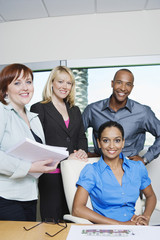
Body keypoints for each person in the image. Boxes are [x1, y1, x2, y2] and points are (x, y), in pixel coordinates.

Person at [0, 63, 59, 221]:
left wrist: (49, 161)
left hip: (30, 196)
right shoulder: (1, 111)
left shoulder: (34, 118)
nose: (25, 87)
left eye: (28, 82)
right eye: (17, 83)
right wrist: (29, 167)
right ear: (5, 89)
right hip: (5, 197)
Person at [31, 66, 88, 221]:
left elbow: (81, 137)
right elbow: (37, 144)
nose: (64, 86)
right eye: (60, 81)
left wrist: (82, 151)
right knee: (52, 221)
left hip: (73, 173)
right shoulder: (39, 108)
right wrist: (65, 158)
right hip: (51, 173)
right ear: (52, 83)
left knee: (73, 218)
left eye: (69, 83)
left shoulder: (75, 110)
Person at [72, 121, 156, 225]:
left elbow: (151, 196)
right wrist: (118, 225)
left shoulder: (137, 168)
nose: (112, 146)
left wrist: (146, 217)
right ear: (99, 143)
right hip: (107, 230)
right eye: (106, 140)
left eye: (117, 140)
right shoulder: (92, 171)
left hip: (135, 227)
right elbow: (77, 209)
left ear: (123, 142)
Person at [82, 68, 160, 164]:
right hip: (101, 166)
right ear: (112, 83)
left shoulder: (143, 112)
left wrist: (146, 159)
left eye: (128, 84)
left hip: (130, 167)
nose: (123, 88)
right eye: (119, 82)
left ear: (132, 87)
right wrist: (85, 152)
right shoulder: (92, 110)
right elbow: (76, 134)